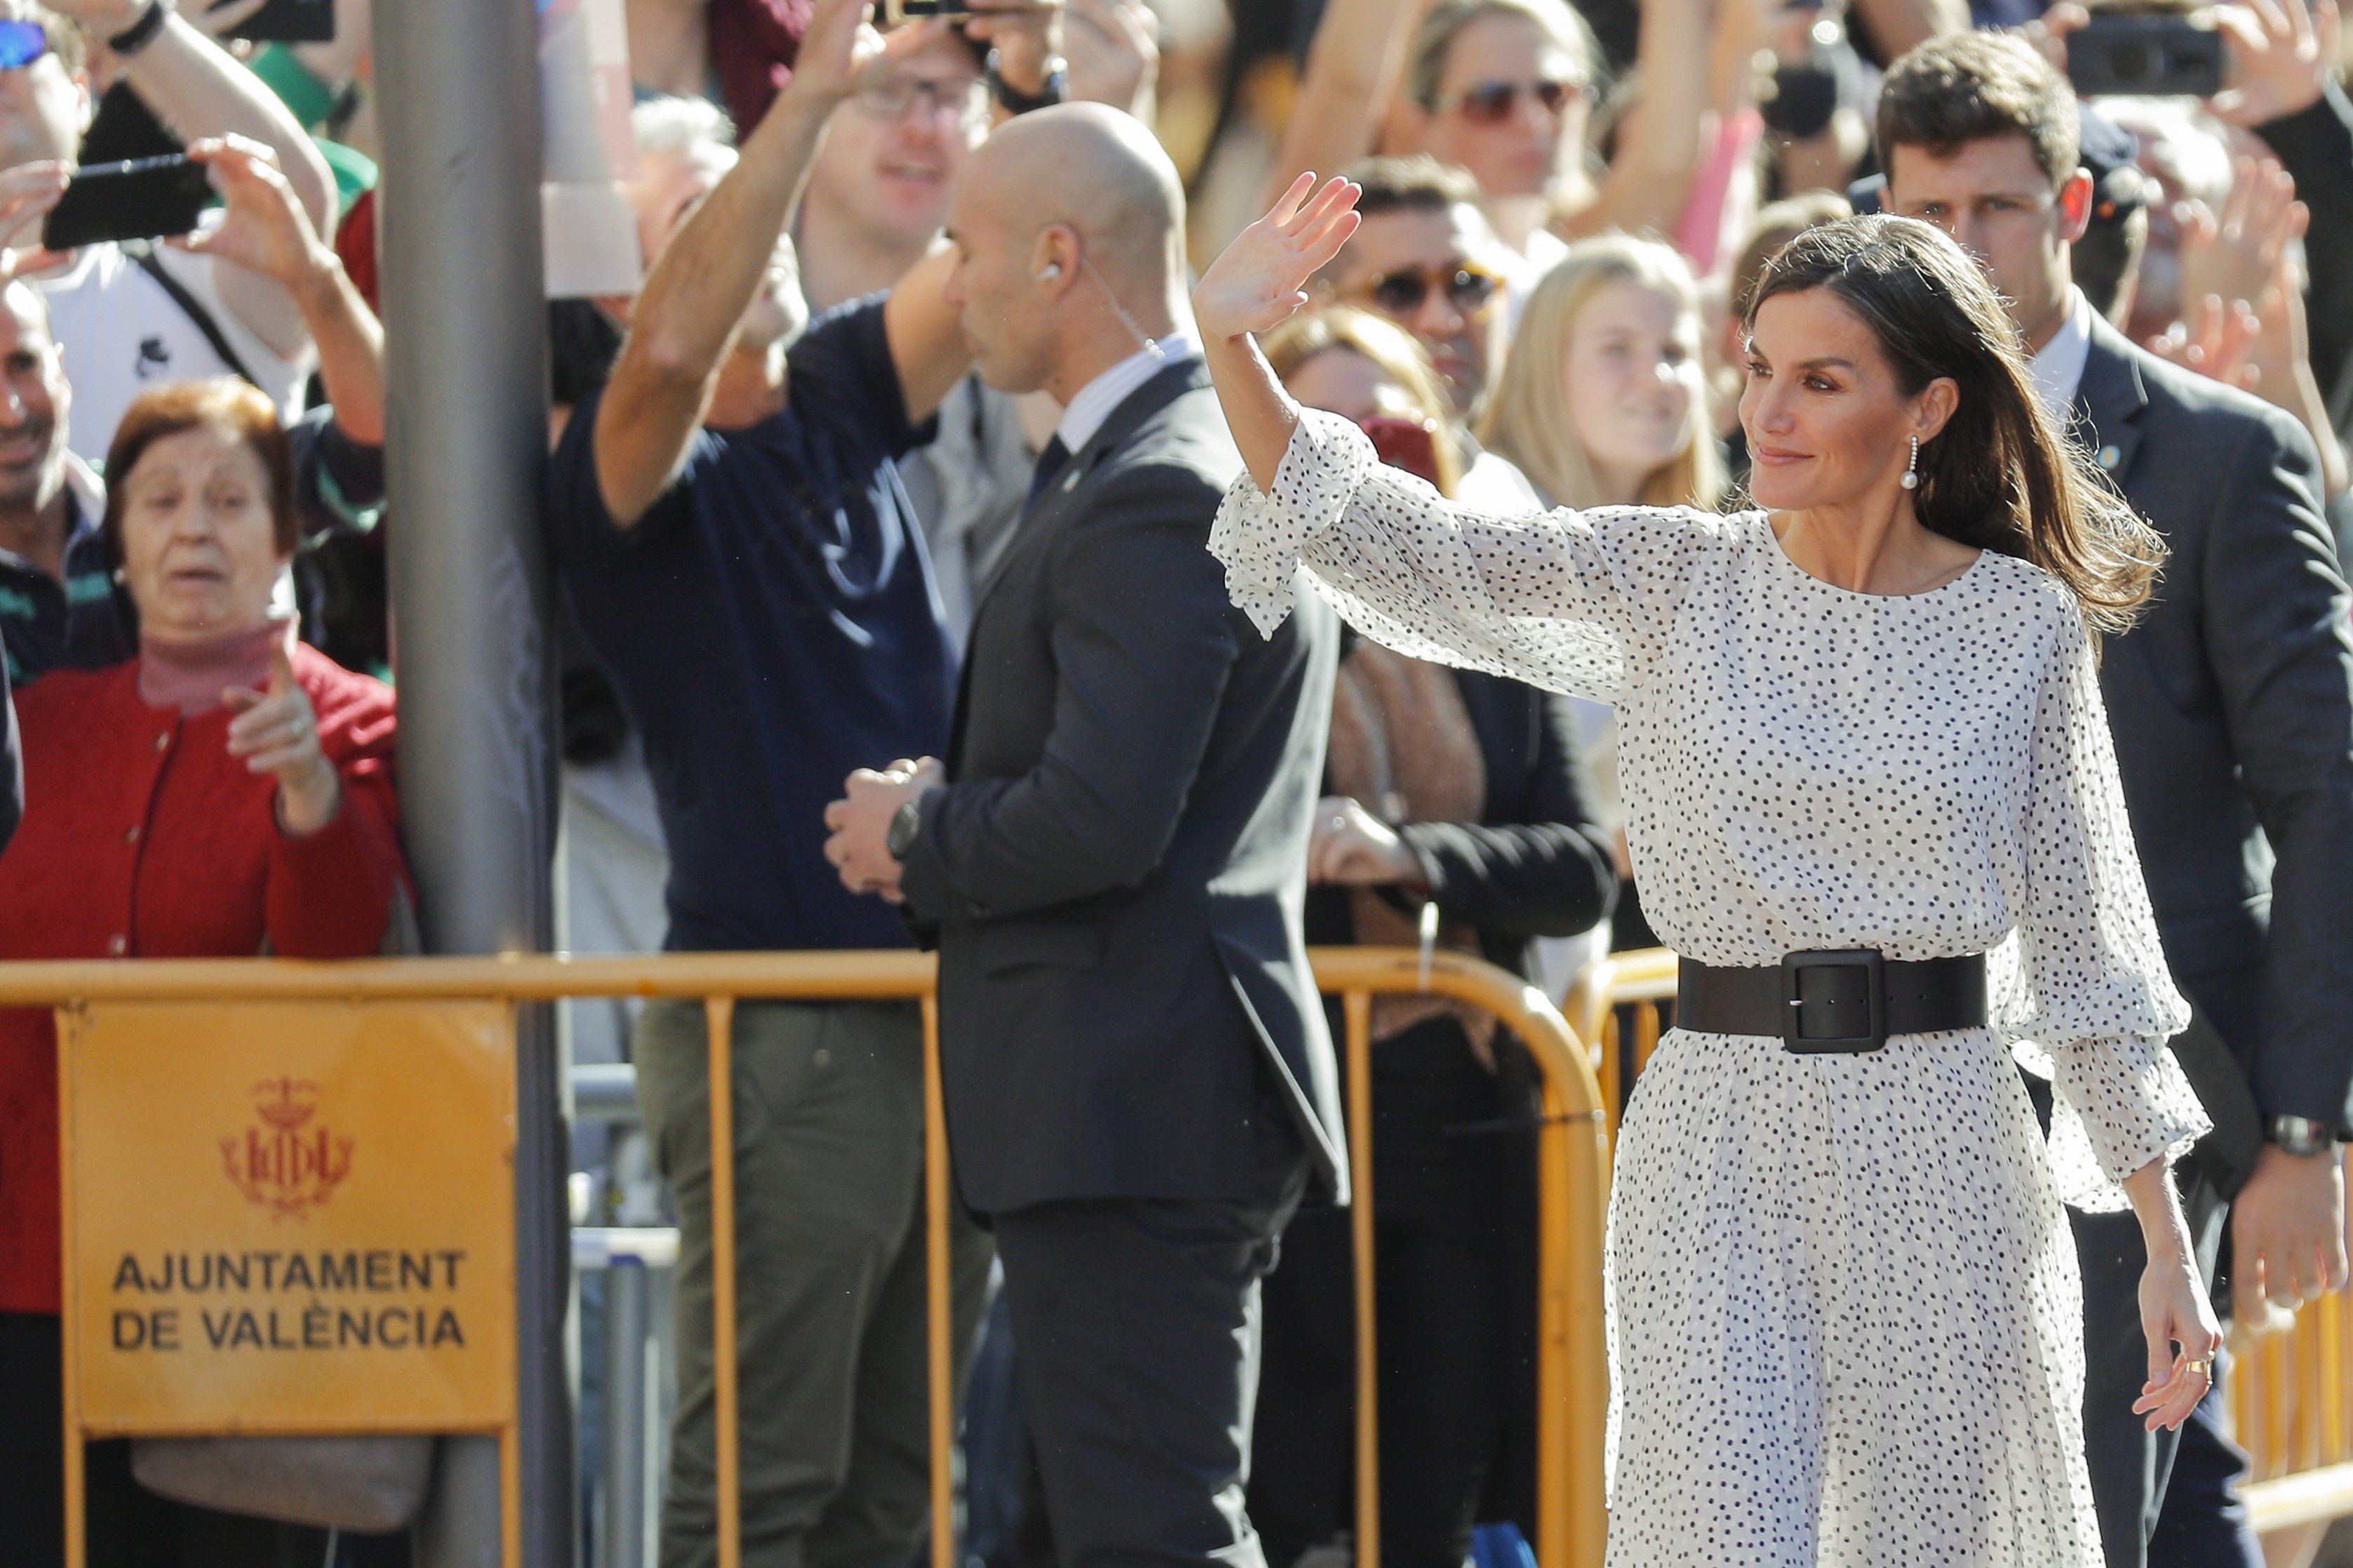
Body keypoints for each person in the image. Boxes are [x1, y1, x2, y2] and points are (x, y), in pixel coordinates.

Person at [1199, 179, 2224, 1564]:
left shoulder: (2017, 627)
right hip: (1715, 1137)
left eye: (1818, 378)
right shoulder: (1669, 577)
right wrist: (1227, 340)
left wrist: (2163, 1243)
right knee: (1713, 1535)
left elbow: (2084, 952)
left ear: (1924, 409)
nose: (1765, 412)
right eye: (1753, 369)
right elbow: (1414, 551)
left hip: (1942, 1145)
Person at [542, 1, 1048, 1560]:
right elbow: (676, 349)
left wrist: (1032, 87)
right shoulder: (621, 465)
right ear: (619, 285)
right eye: (693, 209)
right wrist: (814, 91)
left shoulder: (831, 392)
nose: (745, 219)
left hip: (924, 1004)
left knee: (902, 1491)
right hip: (778, 1031)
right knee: (760, 1490)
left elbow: (1012, 256)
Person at [822, 102, 1345, 1567]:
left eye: (964, 247)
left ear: (1055, 258)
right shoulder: (1152, 463)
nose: (948, 280)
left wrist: (918, 834)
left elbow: (1100, 818)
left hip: (1135, 1108)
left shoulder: (1162, 482)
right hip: (1129, 1102)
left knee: (1151, 1538)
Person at [1878, 32, 2353, 1568]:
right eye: (1924, 212)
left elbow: (2320, 786)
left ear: (2072, 206)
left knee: (2076, 1504)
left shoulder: (2220, 457)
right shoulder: (1821, 455)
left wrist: (2295, 1126)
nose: (1958, 247)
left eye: (1994, 208)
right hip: (1884, 1081)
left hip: (2138, 1084)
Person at [0, 376, 408, 1566]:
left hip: (242, 1276)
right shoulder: (39, 724)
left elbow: (347, 946)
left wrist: (308, 795)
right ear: (114, 543)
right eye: (161, 499)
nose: (192, 527)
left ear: (285, 537)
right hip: (32, 1270)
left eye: (232, 499)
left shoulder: (355, 720)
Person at [1244, 301, 1617, 1568]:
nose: (1356, 461)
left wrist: (1410, 857)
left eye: (1386, 431)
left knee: (1434, 1501)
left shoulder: (1492, 633)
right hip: (1286, 1116)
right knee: (1283, 1489)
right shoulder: (1232, 620)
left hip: (1458, 1111)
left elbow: (1577, 869)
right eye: (1317, 431)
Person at [0, 133, 384, 685]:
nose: (11, 412)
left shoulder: (157, 499)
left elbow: (371, 447)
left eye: (23, 366)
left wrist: (312, 277)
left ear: (61, 370)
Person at [0, 0, 336, 462]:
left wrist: (136, 23)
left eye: (10, 44)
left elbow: (294, 202)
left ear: (82, 95)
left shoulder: (192, 269)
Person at [1317, 155, 1541, 515]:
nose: (1442, 320)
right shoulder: (1292, 493)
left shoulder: (1509, 492)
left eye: (1468, 285)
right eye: (1400, 290)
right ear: (1322, 311)